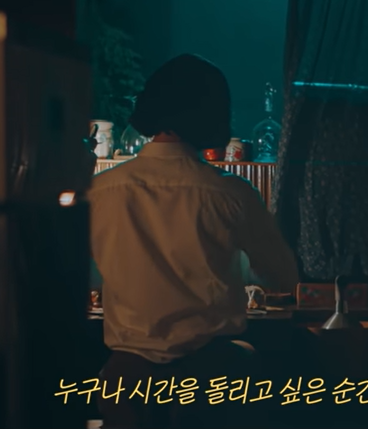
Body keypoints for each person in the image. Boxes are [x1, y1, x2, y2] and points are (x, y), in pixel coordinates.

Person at [88, 54, 298, 429]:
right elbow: (281, 276)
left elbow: (86, 278)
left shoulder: (100, 190)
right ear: (214, 114)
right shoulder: (231, 193)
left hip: (126, 379)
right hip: (212, 376)